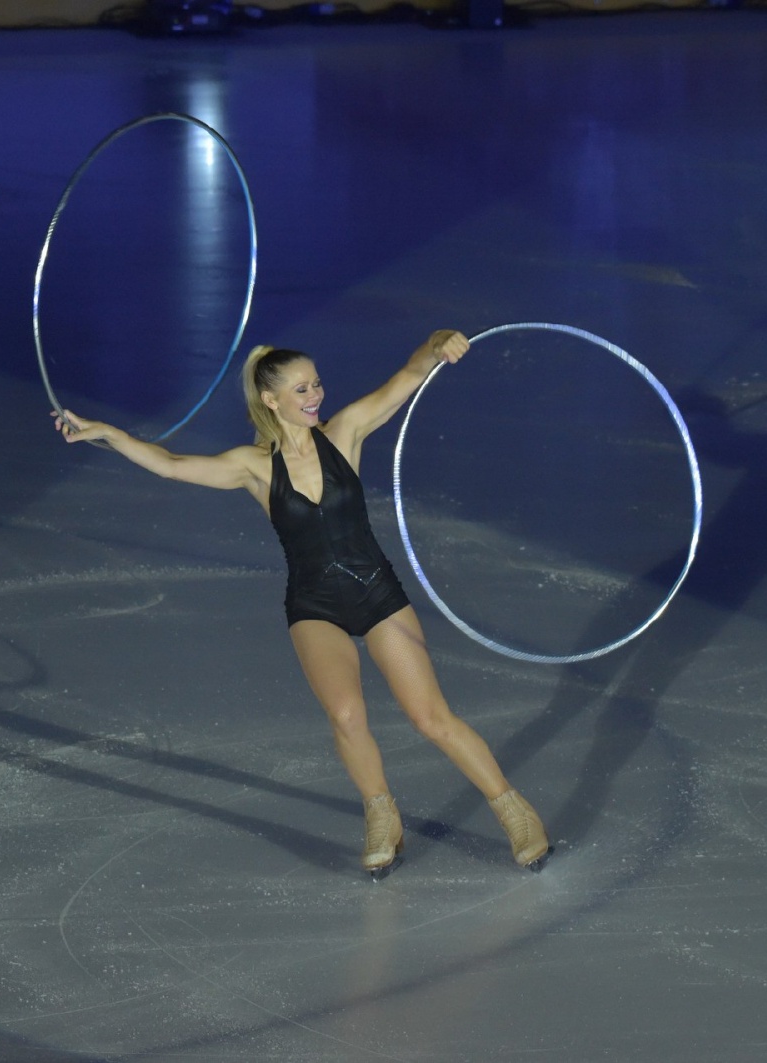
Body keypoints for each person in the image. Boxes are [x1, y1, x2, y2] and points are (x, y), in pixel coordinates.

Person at [53, 329, 550, 877]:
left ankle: (514, 811)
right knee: (345, 715)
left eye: (316, 384)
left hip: (376, 593)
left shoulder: (346, 432)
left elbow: (408, 376)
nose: (315, 396)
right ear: (271, 401)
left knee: (431, 718)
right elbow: (171, 464)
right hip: (315, 603)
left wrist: (438, 344)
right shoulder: (254, 466)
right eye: (300, 390)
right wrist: (106, 433)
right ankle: (382, 814)